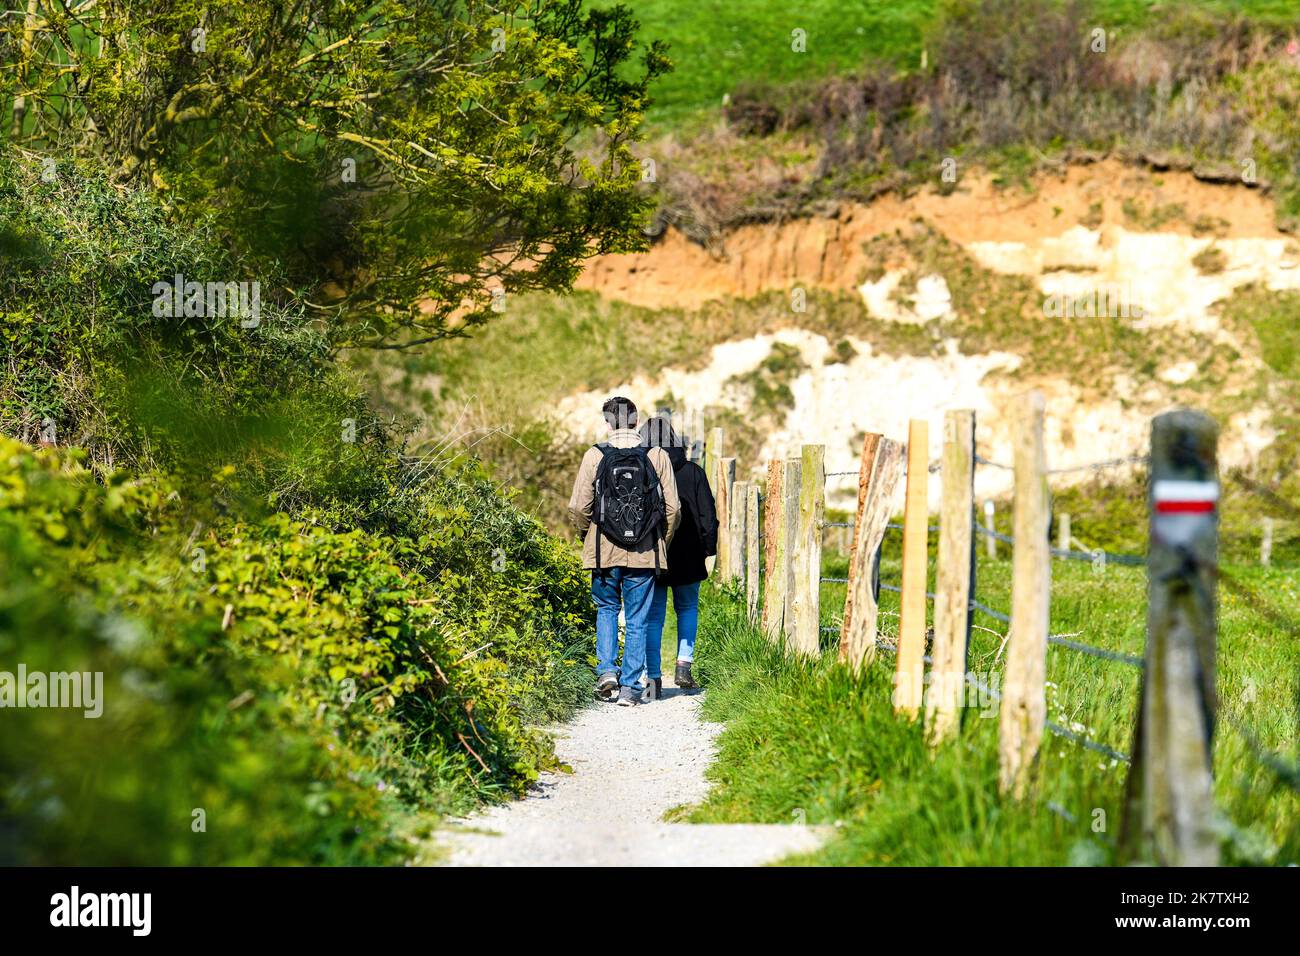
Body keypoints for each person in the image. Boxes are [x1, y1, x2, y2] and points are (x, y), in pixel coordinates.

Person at [568, 397, 680, 707]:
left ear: (607, 423)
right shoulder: (657, 456)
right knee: (637, 619)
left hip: (603, 551)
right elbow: (673, 508)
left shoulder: (594, 455)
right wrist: (661, 541)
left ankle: (606, 672)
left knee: (605, 609)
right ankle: (631, 688)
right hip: (645, 552)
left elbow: (579, 506)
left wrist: (586, 536)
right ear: (636, 420)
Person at [639, 414, 717, 694]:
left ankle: (653, 677)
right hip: (689, 551)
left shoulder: (644, 468)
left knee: (654, 615)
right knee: (687, 608)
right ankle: (684, 665)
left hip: (653, 550)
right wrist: (709, 548)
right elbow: (708, 515)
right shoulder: (693, 472)